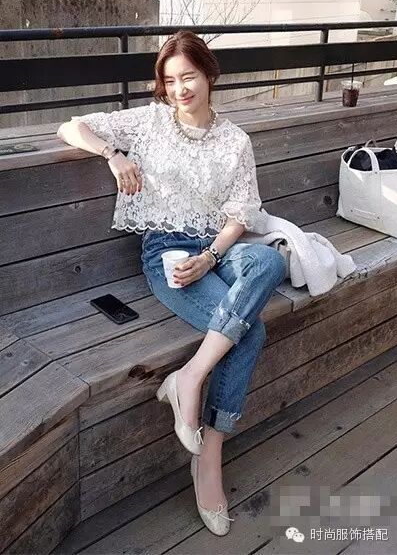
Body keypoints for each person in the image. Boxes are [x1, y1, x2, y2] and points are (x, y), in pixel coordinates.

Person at [57, 30, 287, 536]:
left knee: (269, 263)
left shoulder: (235, 141)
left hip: (215, 251)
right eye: (170, 80)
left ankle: (189, 378)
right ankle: (210, 459)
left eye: (189, 77)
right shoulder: (150, 122)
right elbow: (70, 125)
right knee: (250, 332)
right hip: (168, 254)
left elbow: (241, 214)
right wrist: (113, 154)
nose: (180, 89)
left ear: (209, 75)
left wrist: (210, 258)